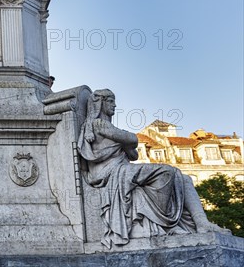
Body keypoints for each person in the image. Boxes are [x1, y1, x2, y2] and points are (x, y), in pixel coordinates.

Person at [78, 89, 229, 248]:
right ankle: (165, 223)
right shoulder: (98, 124)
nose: (115, 105)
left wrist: (126, 143)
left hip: (122, 169)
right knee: (167, 172)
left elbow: (133, 153)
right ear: (100, 103)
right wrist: (126, 143)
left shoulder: (106, 127)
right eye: (110, 101)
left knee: (184, 178)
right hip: (112, 173)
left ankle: (202, 223)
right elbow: (132, 139)